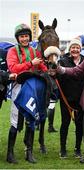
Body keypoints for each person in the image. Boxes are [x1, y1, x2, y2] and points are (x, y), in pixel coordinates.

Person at [6, 23, 47, 164]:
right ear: (18, 38)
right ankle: (10, 153)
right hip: (19, 88)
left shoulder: (35, 51)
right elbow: (13, 68)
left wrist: (50, 70)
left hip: (33, 88)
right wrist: (30, 63)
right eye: (22, 36)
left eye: (26, 36)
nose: (24, 38)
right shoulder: (12, 51)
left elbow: (42, 67)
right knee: (15, 121)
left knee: (31, 119)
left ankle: (28, 153)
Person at [57, 38, 84, 158]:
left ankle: (77, 149)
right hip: (66, 99)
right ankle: (63, 149)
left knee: (80, 125)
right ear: (69, 49)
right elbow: (58, 77)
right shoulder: (63, 61)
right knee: (65, 124)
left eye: (77, 47)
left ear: (80, 49)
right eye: (73, 47)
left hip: (81, 99)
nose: (75, 49)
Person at [44, 46, 61, 133]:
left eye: (54, 54)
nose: (53, 56)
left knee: (51, 105)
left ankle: (49, 126)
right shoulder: (47, 63)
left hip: (53, 86)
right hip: (49, 86)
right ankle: (48, 126)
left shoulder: (57, 63)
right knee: (50, 105)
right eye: (52, 54)